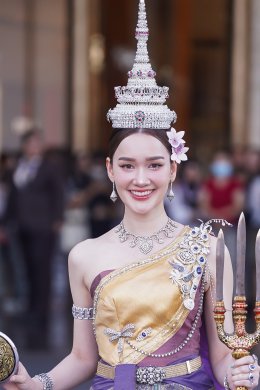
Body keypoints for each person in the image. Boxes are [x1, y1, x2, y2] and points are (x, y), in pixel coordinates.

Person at [3, 0, 260, 389]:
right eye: (127, 166)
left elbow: (223, 356)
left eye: (154, 165)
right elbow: (82, 358)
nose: (141, 179)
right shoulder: (84, 257)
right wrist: (37, 384)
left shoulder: (208, 249)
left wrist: (240, 372)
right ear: (110, 170)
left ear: (173, 169)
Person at [3, 126, 64, 349]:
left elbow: (58, 193)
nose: (34, 147)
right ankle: (30, 309)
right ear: (25, 145)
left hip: (43, 226)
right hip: (21, 226)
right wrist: (5, 222)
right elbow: (12, 197)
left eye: (37, 143)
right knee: (26, 269)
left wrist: (57, 219)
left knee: (42, 270)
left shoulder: (49, 167)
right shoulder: (16, 168)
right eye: (30, 143)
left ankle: (42, 313)